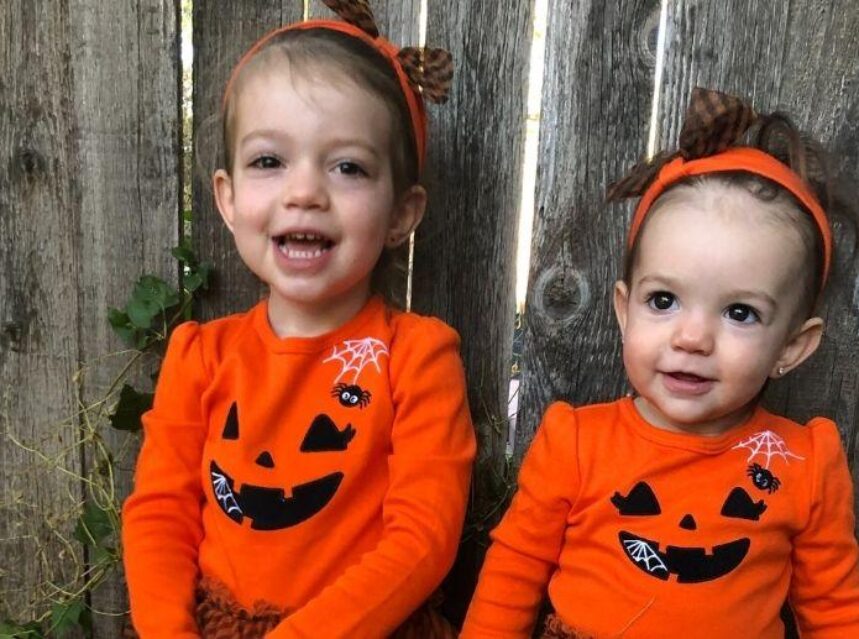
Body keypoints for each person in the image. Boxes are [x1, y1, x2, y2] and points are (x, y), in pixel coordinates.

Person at [122, 1, 475, 637]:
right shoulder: (201, 355)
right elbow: (159, 516)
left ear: (401, 212)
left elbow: (424, 536)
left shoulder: (417, 357)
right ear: (227, 200)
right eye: (269, 161)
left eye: (348, 167)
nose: (305, 191)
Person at [461, 88, 859, 638]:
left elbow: (836, 611)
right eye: (664, 300)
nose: (692, 338)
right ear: (625, 310)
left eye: (739, 312)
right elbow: (512, 571)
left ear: (793, 345)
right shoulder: (577, 443)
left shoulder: (804, 464)